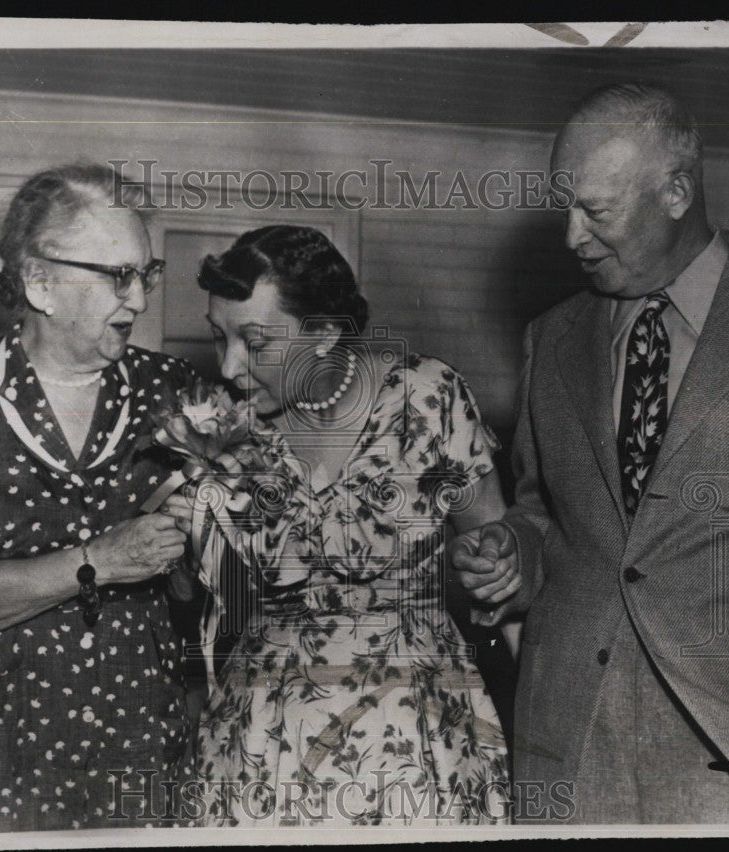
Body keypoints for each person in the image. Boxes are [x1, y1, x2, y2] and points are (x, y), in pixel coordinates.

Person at [453, 83, 729, 823]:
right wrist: (512, 554)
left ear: (677, 191)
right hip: (573, 748)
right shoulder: (550, 339)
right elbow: (544, 515)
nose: (572, 238)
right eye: (565, 208)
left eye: (597, 211)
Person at [172, 225, 514, 825]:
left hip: (412, 724)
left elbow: (502, 565)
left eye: (255, 343)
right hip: (263, 731)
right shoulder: (233, 430)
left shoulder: (426, 398)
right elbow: (208, 596)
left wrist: (539, 716)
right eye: (219, 337)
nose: (228, 367)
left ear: (325, 333)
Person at [0, 163, 198, 834]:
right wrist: (96, 559)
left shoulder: (171, 389)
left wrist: (199, 539)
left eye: (144, 274)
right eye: (115, 276)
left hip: (140, 749)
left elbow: (201, 591)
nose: (140, 301)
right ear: (40, 282)